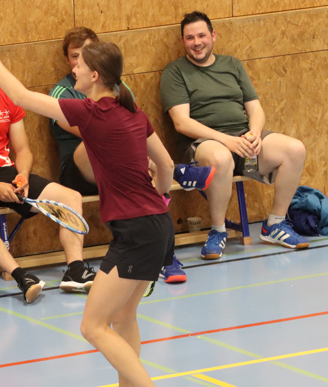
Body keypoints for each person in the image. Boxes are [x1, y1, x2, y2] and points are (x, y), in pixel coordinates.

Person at [0, 38, 182, 387]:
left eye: (79, 67)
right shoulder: (132, 112)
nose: (73, 71)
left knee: (93, 325)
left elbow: (19, 95)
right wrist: (159, 197)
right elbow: (167, 165)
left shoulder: (90, 113)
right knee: (123, 319)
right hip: (152, 225)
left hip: (138, 233)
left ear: (95, 76)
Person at [0, 39, 97, 303]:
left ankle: (76, 271)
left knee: (71, 198)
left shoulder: (6, 98)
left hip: (7, 174)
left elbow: (23, 150)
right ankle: (22, 276)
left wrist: (22, 175)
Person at [49, 27, 213, 284]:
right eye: (74, 56)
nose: (77, 63)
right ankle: (175, 171)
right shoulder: (62, 92)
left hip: (120, 170)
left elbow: (131, 131)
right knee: (98, 141)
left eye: (86, 55)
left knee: (141, 179)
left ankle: (166, 256)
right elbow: (97, 133)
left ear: (97, 66)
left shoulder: (119, 91)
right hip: (79, 169)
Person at [161, 11, 309, 260]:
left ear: (213, 36)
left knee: (295, 149)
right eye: (189, 38)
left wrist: (254, 133)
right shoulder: (175, 72)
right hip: (203, 146)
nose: (197, 42)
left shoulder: (232, 65)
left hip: (243, 143)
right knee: (221, 158)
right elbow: (181, 123)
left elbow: (255, 108)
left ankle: (274, 224)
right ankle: (218, 231)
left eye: (201, 35)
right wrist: (225, 140)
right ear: (182, 42)